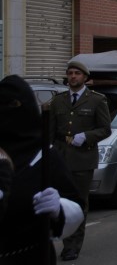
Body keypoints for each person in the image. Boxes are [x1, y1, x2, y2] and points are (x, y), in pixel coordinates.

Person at [0, 75, 84, 264]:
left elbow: (75, 204)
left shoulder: (44, 155)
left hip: (30, 256)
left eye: (13, 105)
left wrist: (59, 208)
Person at [48, 60, 111, 261]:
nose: (73, 76)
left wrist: (86, 137)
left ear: (85, 77)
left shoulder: (96, 100)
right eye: (70, 73)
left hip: (83, 159)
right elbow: (50, 132)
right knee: (59, 202)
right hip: (60, 158)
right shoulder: (58, 100)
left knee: (78, 202)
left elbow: (105, 129)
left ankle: (73, 245)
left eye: (77, 73)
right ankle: (61, 238)